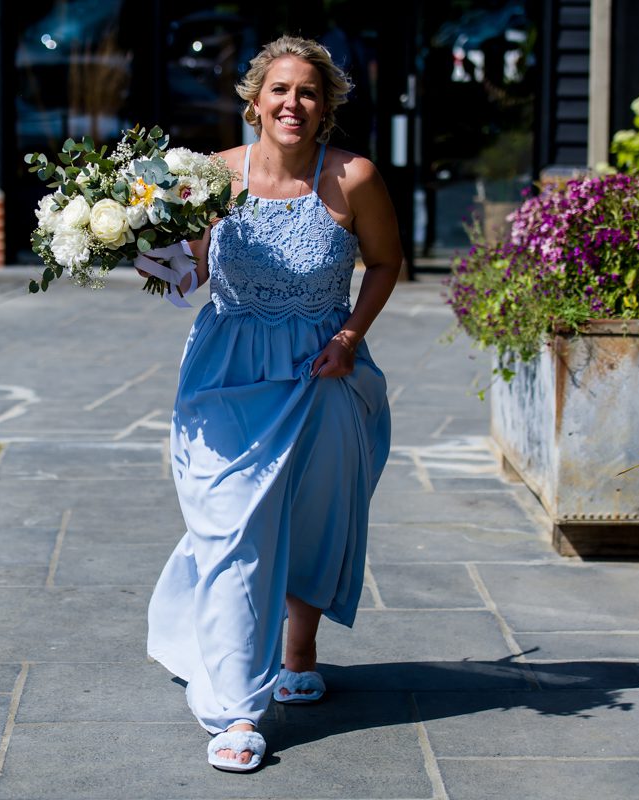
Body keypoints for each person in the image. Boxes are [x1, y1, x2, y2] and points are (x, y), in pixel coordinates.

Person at [145, 34, 401, 772]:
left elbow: (385, 263)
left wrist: (350, 336)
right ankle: (235, 712)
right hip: (226, 372)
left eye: (309, 93)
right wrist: (131, 243)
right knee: (231, 529)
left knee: (312, 519)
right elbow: (183, 277)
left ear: (326, 108)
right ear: (253, 100)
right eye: (280, 91)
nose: (294, 104)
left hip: (321, 370)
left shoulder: (354, 178)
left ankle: (300, 649)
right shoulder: (210, 177)